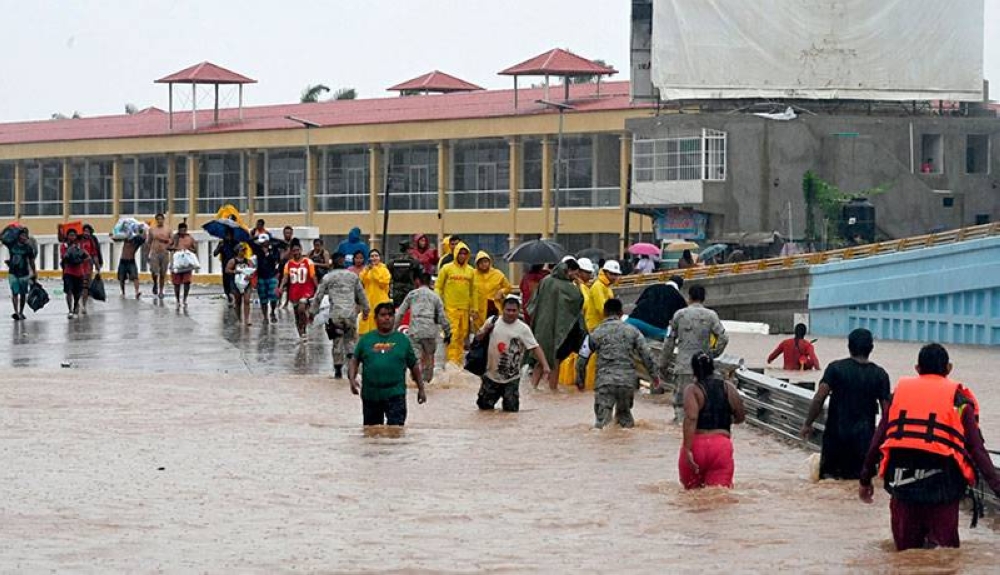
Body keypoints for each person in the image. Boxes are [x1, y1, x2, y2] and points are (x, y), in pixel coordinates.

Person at [859, 344, 1000, 551]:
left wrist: (865, 478)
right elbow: (977, 451)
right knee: (944, 558)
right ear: (949, 368)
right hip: (942, 490)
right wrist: (997, 487)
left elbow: (877, 440)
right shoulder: (960, 402)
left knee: (904, 557)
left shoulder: (898, 398)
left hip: (903, 488)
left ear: (917, 368)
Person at [801, 328, 889, 479]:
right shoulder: (880, 375)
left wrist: (808, 424)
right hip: (864, 442)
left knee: (829, 483)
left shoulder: (835, 369)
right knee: (859, 483)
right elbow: (887, 411)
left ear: (849, 347)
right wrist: (885, 441)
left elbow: (819, 397)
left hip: (835, 440)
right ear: (871, 348)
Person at [577, 298, 657, 428]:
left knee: (603, 425)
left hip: (605, 382)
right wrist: (655, 377)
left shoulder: (595, 333)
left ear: (604, 312)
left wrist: (580, 380)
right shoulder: (633, 331)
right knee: (625, 420)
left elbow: (582, 359)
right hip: (626, 382)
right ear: (621, 313)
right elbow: (647, 355)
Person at [658, 285, 729, 422]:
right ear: (704, 298)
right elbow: (724, 338)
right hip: (705, 368)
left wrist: (663, 364)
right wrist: (712, 355)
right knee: (703, 405)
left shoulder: (679, 315)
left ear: (688, 297)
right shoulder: (711, 315)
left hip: (684, 367)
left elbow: (669, 342)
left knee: (681, 405)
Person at [349, 302, 424, 426]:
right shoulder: (365, 340)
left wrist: (421, 389)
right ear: (376, 318)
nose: (387, 318)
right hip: (371, 395)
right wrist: (352, 379)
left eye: (390, 315)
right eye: (383, 315)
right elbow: (354, 360)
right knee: (372, 433)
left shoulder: (403, 340)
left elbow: (414, 365)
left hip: (395, 394)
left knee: (396, 433)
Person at [680, 353, 746, 489]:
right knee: (718, 497)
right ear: (713, 367)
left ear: (693, 370)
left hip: (696, 445)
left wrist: (687, 449)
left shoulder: (692, 390)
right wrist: (725, 419)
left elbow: (691, 418)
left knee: (692, 497)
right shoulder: (728, 387)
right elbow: (741, 416)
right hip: (721, 446)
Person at [474, 294, 549, 412]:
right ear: (502, 309)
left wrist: (545, 366)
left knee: (511, 412)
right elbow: (477, 339)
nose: (511, 313)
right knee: (484, 410)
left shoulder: (523, 328)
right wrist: (486, 330)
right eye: (508, 310)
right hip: (490, 375)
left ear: (518, 311)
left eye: (514, 310)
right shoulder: (492, 321)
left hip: (511, 378)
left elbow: (535, 347)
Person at [527, 258, 584, 390]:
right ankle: (553, 390)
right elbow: (578, 302)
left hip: (542, 326)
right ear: (568, 271)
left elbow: (533, 303)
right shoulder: (570, 287)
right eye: (574, 274)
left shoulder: (546, 281)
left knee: (540, 359)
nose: (574, 277)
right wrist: (579, 285)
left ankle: (532, 389)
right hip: (560, 328)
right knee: (555, 359)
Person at [310, 253, 370, 379]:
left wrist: (312, 313)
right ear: (344, 262)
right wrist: (366, 310)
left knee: (337, 342)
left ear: (332, 263)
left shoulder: (328, 277)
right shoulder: (353, 277)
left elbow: (318, 296)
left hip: (336, 315)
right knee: (350, 341)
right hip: (350, 315)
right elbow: (362, 295)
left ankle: (338, 371)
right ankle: (351, 370)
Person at [395, 271, 451, 384]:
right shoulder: (435, 296)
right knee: (429, 356)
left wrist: (392, 330)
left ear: (417, 281)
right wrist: (448, 332)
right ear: (430, 282)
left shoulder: (412, 294)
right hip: (430, 331)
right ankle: (427, 382)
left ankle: (415, 381)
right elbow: (442, 317)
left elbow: (400, 313)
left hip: (415, 330)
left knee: (415, 358)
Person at [580, 260, 621, 389]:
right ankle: (590, 385)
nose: (615, 277)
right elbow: (601, 308)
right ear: (606, 273)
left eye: (616, 274)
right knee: (593, 359)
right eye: (612, 274)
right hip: (594, 328)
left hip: (602, 327)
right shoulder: (598, 286)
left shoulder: (606, 287)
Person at [435, 241, 477, 366]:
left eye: (465, 254)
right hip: (450, 308)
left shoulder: (471, 271)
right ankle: (451, 362)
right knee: (452, 336)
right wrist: (439, 303)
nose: (462, 256)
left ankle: (457, 363)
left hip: (464, 309)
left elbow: (473, 291)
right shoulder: (447, 268)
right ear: (456, 254)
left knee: (462, 335)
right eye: (460, 253)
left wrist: (474, 308)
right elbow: (438, 286)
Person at [557, 257, 594, 388]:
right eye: (587, 272)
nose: (589, 275)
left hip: (582, 326)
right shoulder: (572, 287)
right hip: (573, 327)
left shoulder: (583, 287)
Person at [625, 275, 686, 341]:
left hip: (632, 321)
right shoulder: (679, 298)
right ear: (680, 287)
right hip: (655, 329)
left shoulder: (651, 287)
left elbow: (636, 305)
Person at [278, 239, 318, 341]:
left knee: (301, 309)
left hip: (306, 290)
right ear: (291, 252)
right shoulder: (288, 264)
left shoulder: (308, 262)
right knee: (297, 314)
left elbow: (313, 276)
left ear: (301, 250)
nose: (296, 253)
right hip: (294, 292)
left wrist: (318, 288)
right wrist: (281, 287)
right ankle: (301, 333)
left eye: (298, 250)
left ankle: (304, 330)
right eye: (294, 251)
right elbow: (285, 277)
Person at [471, 250, 512, 332]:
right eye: (481, 262)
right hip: (478, 310)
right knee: (481, 332)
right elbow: (468, 293)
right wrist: (471, 310)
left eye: (486, 261)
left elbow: (508, 287)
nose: (484, 264)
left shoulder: (497, 273)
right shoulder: (472, 274)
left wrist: (501, 292)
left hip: (494, 308)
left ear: (489, 262)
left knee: (495, 331)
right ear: (477, 264)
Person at [358, 248, 391, 335]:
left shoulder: (384, 270)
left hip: (381, 301)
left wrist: (374, 269)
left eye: (376, 256)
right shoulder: (367, 269)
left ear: (380, 258)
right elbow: (361, 280)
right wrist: (367, 270)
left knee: (380, 324)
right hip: (368, 300)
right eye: (372, 256)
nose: (374, 258)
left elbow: (383, 282)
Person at [6, 228, 37, 320]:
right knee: (14, 292)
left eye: (25, 236)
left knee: (23, 294)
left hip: (24, 274)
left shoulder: (28, 248)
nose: (24, 237)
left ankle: (21, 311)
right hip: (13, 273)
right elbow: (3, 238)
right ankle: (15, 312)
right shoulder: (12, 245)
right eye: (22, 235)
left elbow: (32, 261)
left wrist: (34, 272)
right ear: (18, 236)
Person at [251, 233, 281, 323]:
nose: (262, 244)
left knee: (274, 297)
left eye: (264, 242)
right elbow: (249, 242)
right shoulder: (257, 250)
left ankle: (272, 311)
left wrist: (268, 253)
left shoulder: (274, 250)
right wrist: (256, 237)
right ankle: (265, 317)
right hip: (261, 277)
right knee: (263, 299)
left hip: (272, 276)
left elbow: (276, 260)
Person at [225, 243, 256, 326]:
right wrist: (234, 271)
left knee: (246, 300)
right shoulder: (233, 261)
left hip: (246, 283)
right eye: (242, 250)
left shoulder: (248, 261)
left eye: (244, 250)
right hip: (236, 283)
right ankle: (239, 318)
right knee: (238, 302)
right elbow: (227, 270)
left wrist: (250, 276)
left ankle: (247, 319)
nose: (243, 252)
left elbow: (253, 270)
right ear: (238, 251)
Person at [60, 228, 87, 319]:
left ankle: (76, 307)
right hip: (68, 272)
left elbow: (86, 256)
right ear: (67, 236)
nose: (72, 237)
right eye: (70, 235)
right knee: (69, 291)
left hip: (79, 272)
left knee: (78, 293)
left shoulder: (80, 245)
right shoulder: (64, 246)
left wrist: (80, 258)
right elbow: (64, 257)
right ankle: (70, 310)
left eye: (74, 235)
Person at [168, 222, 197, 308]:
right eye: (181, 230)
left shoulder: (190, 237)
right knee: (176, 283)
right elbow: (168, 247)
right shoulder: (175, 237)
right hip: (177, 263)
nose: (183, 231)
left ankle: (185, 299)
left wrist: (189, 250)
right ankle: (177, 299)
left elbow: (194, 249)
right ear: (179, 230)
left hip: (187, 263)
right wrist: (175, 248)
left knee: (187, 282)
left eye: (184, 230)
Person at [79, 223, 103, 315]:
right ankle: (77, 303)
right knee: (78, 287)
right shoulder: (78, 241)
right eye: (84, 231)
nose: (86, 233)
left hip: (88, 268)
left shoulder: (92, 242)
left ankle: (84, 306)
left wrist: (97, 266)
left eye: (88, 231)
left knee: (86, 287)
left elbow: (95, 254)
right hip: (78, 268)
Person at [148, 213, 172, 299]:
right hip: (154, 252)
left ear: (163, 219)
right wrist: (148, 254)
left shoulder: (168, 229)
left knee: (163, 273)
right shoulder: (152, 230)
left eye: (161, 219)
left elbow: (172, 241)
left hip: (164, 253)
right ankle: (155, 283)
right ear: (156, 220)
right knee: (154, 271)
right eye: (158, 219)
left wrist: (164, 240)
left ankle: (161, 291)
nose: (159, 221)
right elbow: (149, 242)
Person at [213, 228, 239, 306]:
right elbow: (215, 254)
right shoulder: (222, 243)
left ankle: (234, 299)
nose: (228, 236)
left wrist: (237, 249)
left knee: (233, 283)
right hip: (225, 266)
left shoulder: (236, 242)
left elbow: (241, 253)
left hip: (234, 266)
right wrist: (219, 247)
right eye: (226, 234)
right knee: (226, 283)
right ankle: (229, 297)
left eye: (229, 234)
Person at [116, 230, 143, 299]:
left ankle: (137, 292)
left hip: (131, 261)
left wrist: (139, 234)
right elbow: (116, 238)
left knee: (135, 277)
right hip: (123, 261)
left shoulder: (136, 242)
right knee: (121, 278)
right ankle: (123, 292)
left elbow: (143, 239)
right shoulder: (125, 239)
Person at [277, 226, 296, 309]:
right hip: (283, 265)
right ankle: (279, 301)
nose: (287, 234)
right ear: (283, 233)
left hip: (292, 266)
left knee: (290, 285)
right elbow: (281, 257)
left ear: (292, 233)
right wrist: (288, 249)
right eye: (286, 233)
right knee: (280, 283)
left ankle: (287, 303)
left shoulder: (295, 243)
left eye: (289, 233)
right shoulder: (281, 243)